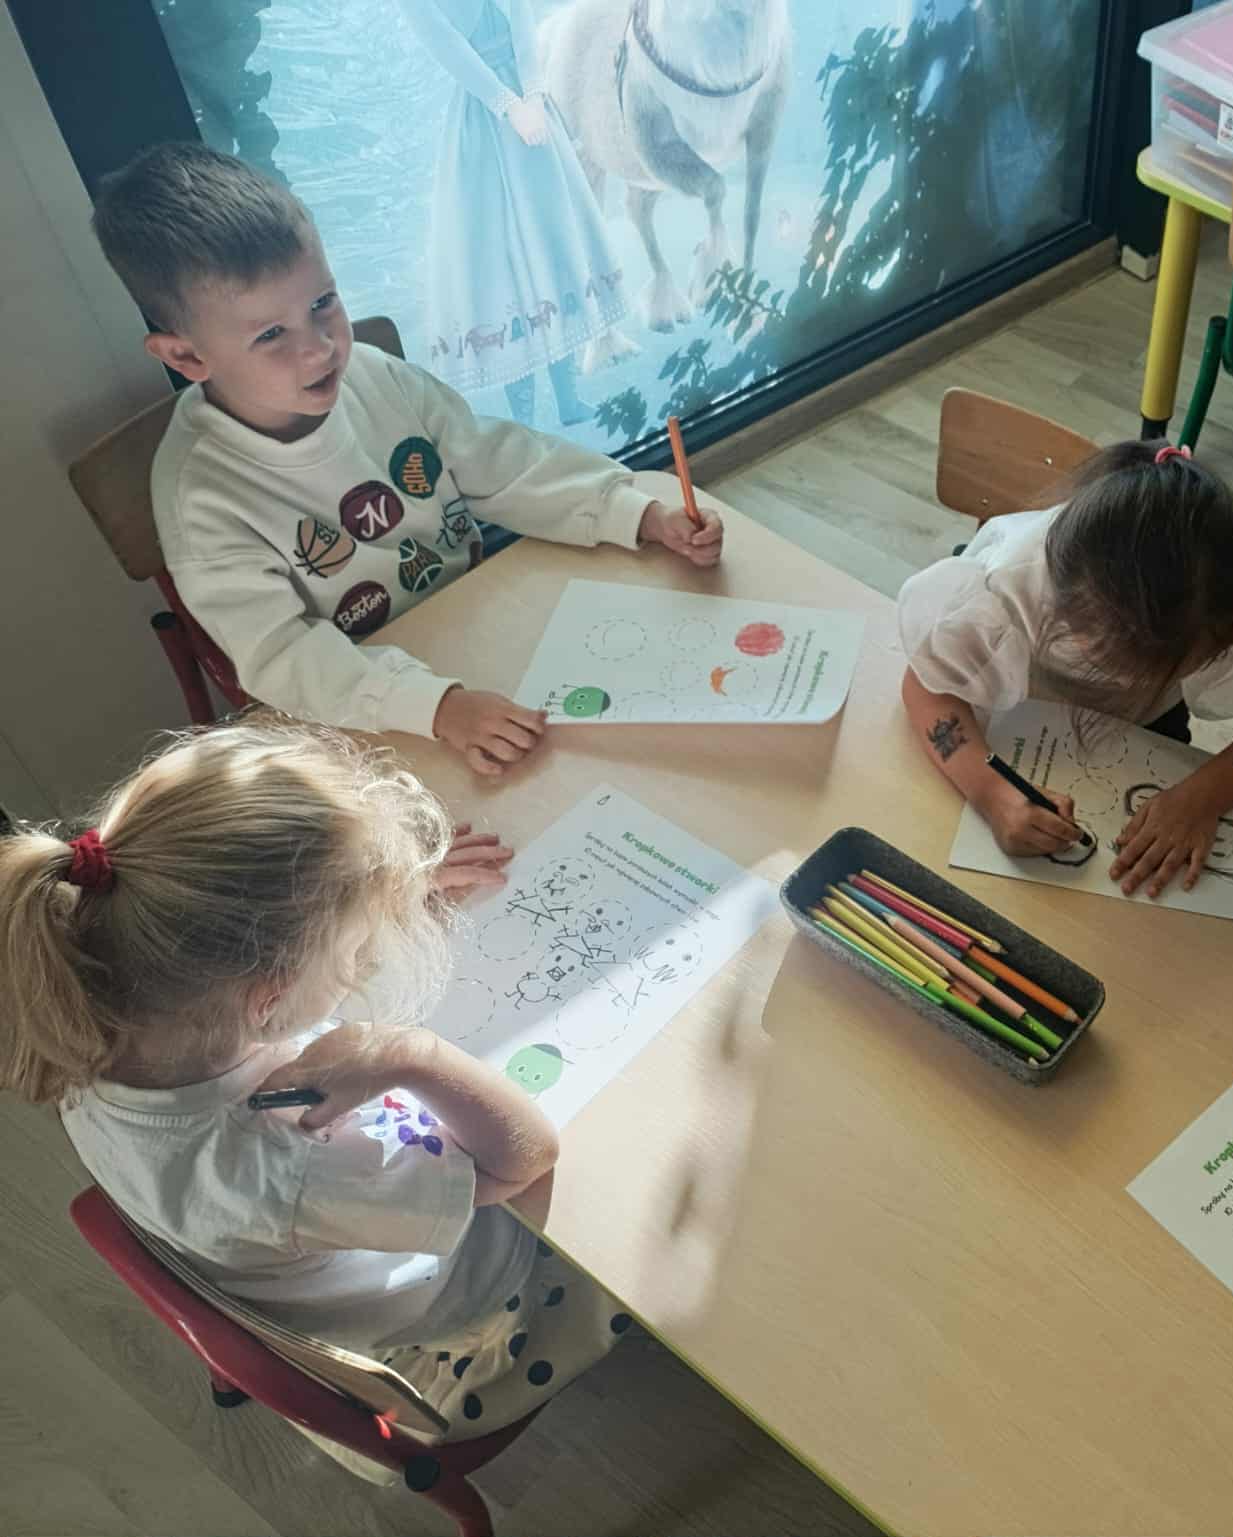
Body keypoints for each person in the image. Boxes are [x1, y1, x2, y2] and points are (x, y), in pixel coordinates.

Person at [0, 718, 625, 1440]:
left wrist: (368, 896)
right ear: (268, 997)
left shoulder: (91, 1012)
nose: (370, 959)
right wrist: (405, 1050)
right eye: (357, 949)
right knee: (619, 1206)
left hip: (304, 1252)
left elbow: (254, 952)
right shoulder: (287, 1166)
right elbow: (522, 1158)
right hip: (469, 1304)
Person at [88, 142, 723, 776]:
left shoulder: (376, 376)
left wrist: (633, 513)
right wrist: (437, 707)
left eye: (322, 303)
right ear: (187, 358)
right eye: (271, 334)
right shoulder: (200, 498)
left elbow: (499, 462)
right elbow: (283, 657)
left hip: (479, 628)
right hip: (368, 718)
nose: (321, 349)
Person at [897, 441, 1233, 896]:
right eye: (1116, 665)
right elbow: (927, 688)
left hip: (1147, 729)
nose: (1139, 683)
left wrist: (1203, 797)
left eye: (1173, 670)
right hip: (1019, 720)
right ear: (1061, 613)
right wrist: (991, 793)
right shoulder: (1005, 588)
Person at [396, 0, 627, 427]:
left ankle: (568, 399)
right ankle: (525, 422)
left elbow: (521, 16)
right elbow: (445, 45)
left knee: (552, 242)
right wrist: (507, 104)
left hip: (531, 107)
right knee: (500, 268)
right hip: (484, 123)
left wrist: (533, 94)